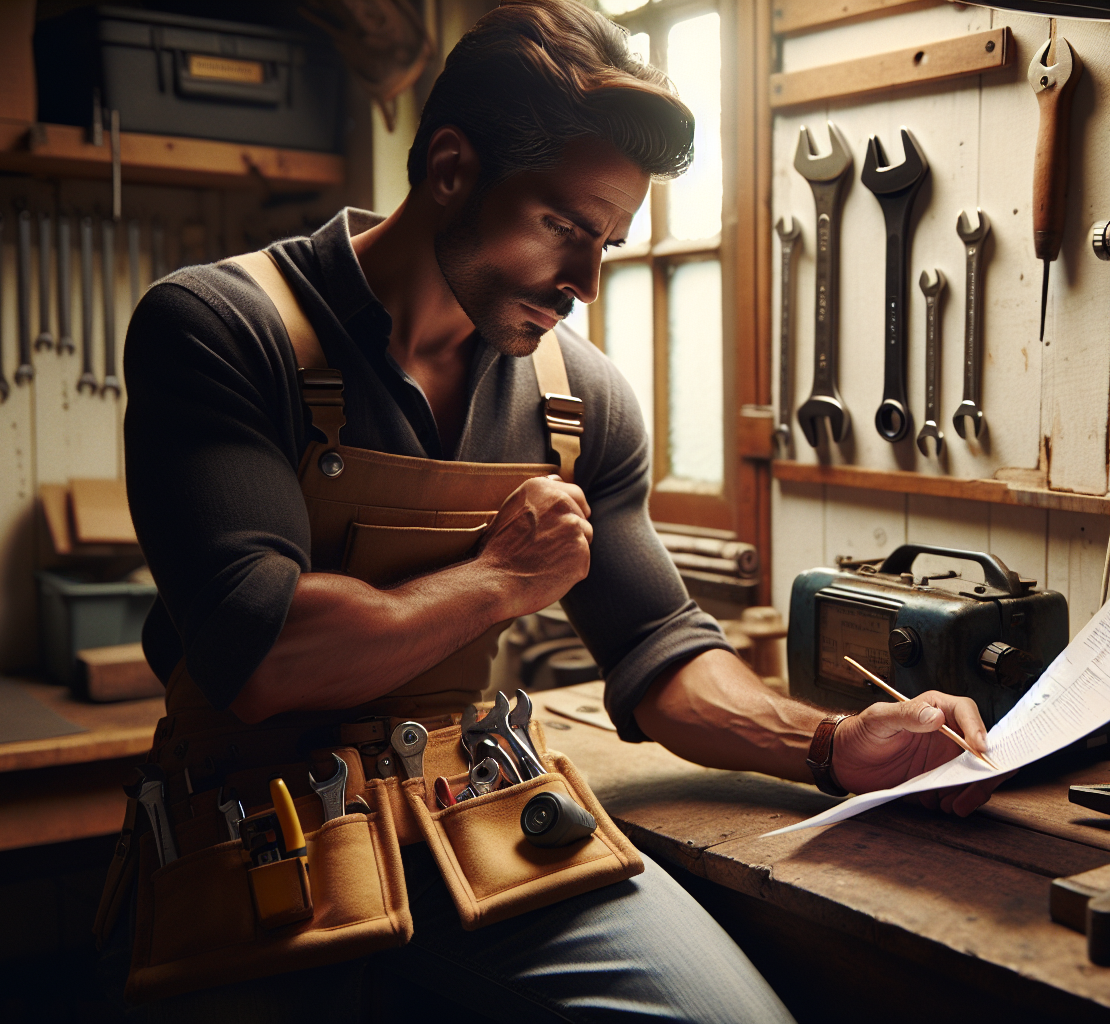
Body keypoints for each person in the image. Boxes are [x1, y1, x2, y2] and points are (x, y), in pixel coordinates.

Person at [110, 1, 1005, 1019]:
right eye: (564, 229)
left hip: (477, 814)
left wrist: (834, 746)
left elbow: (660, 650)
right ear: (450, 169)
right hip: (254, 831)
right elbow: (262, 656)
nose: (584, 281)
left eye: (609, 241)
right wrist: (500, 578)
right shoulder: (221, 330)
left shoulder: (581, 403)